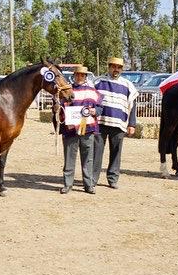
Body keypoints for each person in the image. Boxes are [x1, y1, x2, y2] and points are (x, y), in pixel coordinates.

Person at [93, 56, 137, 189]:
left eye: (119, 67)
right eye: (113, 66)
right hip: (100, 123)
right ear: (109, 67)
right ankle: (92, 179)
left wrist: (132, 124)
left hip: (119, 124)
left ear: (122, 69)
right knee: (96, 152)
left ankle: (112, 178)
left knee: (116, 153)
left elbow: (132, 105)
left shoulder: (128, 85)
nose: (115, 69)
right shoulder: (97, 82)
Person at [58, 66, 102, 195]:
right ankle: (67, 184)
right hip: (71, 129)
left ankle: (88, 185)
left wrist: (95, 111)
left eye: (82, 75)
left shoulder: (92, 91)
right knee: (69, 158)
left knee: (88, 158)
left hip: (88, 129)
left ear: (85, 76)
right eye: (77, 75)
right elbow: (61, 107)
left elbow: (100, 108)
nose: (79, 77)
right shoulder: (67, 90)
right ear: (74, 75)